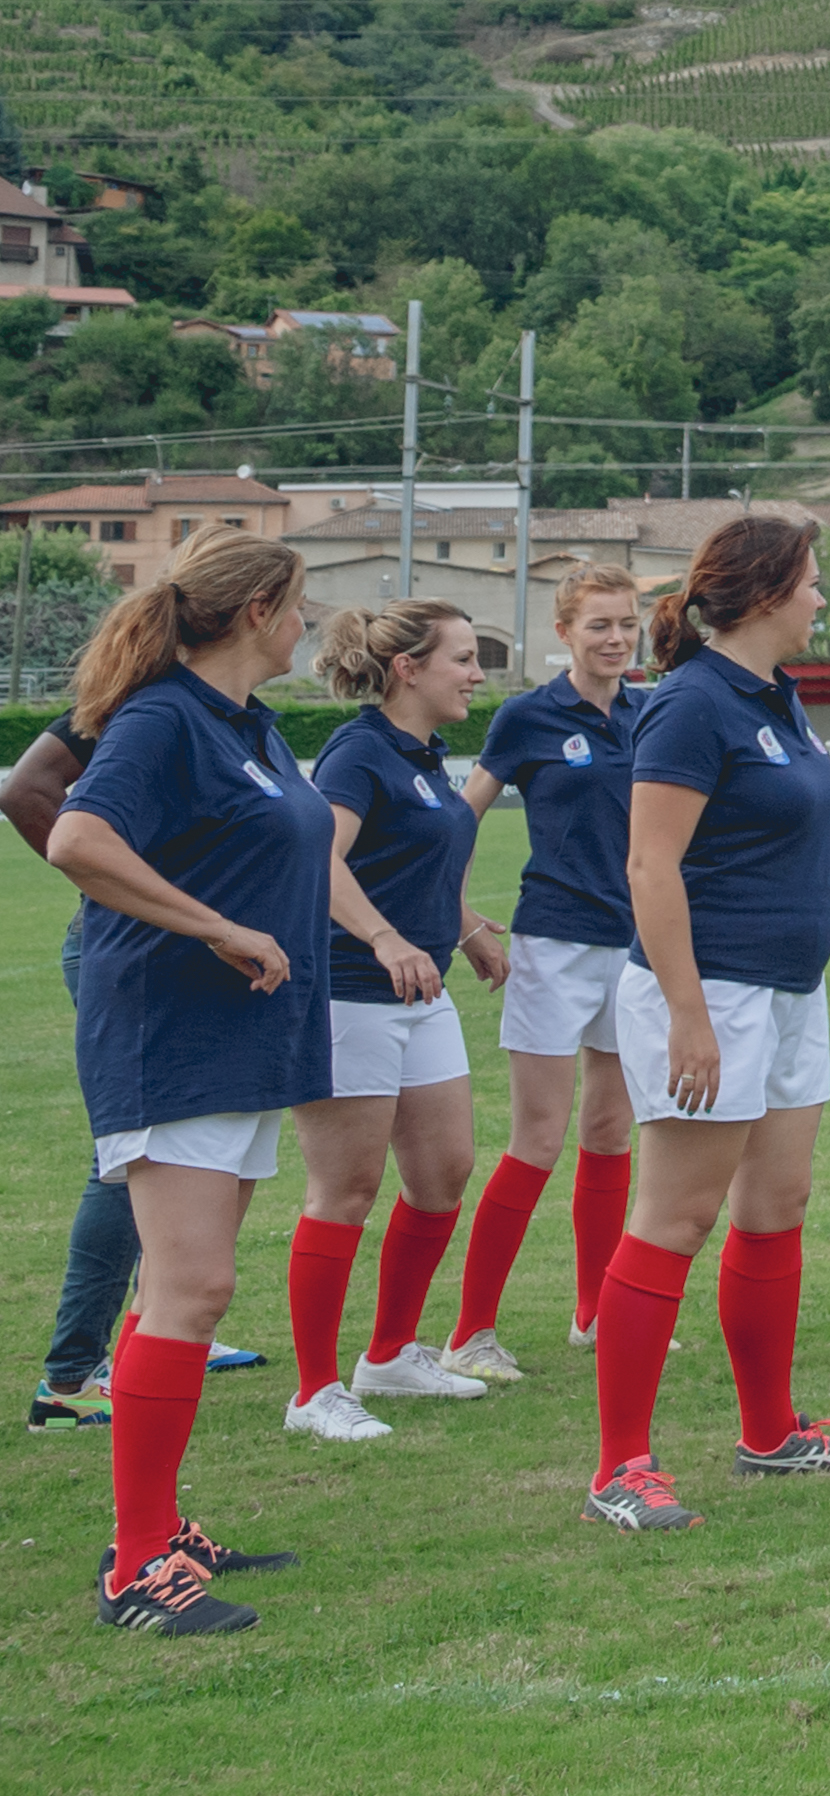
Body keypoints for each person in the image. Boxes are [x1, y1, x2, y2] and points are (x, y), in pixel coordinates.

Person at [37, 534, 329, 1634]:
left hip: (239, 1034)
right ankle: (135, 1569)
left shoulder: (242, 723)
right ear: (258, 609)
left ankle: (152, 1530)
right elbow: (74, 835)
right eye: (300, 603)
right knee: (193, 1294)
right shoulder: (165, 716)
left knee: (177, 1290)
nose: (308, 621)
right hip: (171, 1033)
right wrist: (213, 926)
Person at [583, 514, 830, 1531]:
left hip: (791, 989)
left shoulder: (773, 696)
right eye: (812, 580)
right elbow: (648, 865)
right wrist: (687, 1014)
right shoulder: (689, 705)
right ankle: (620, 1466)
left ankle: (771, 1432)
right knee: (674, 1219)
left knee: (777, 1205)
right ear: (763, 594)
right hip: (711, 993)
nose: (822, 598)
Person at [276, 602, 502, 1440]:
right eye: (465, 658)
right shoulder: (359, 751)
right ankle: (315, 1391)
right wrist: (381, 936)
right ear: (409, 668)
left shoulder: (423, 756)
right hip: (347, 991)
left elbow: (412, 866)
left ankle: (391, 1355)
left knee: (444, 1174)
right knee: (347, 1189)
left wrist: (467, 927)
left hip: (421, 990)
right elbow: (316, 859)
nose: (477, 673)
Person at [4, 720, 267, 1430]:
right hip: (130, 952)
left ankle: (163, 1330)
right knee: (129, 1156)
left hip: (187, 957)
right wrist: (121, 901)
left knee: (169, 1155)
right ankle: (70, 1379)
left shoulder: (220, 708)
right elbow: (27, 790)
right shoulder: (141, 698)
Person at [446, 561, 654, 1382]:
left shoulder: (653, 712)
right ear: (563, 633)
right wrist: (462, 923)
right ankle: (471, 1333)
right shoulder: (528, 716)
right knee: (537, 1139)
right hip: (553, 944)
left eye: (627, 624)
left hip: (637, 948)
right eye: (599, 624)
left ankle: (597, 1314)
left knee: (609, 1134)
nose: (616, 639)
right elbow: (454, 823)